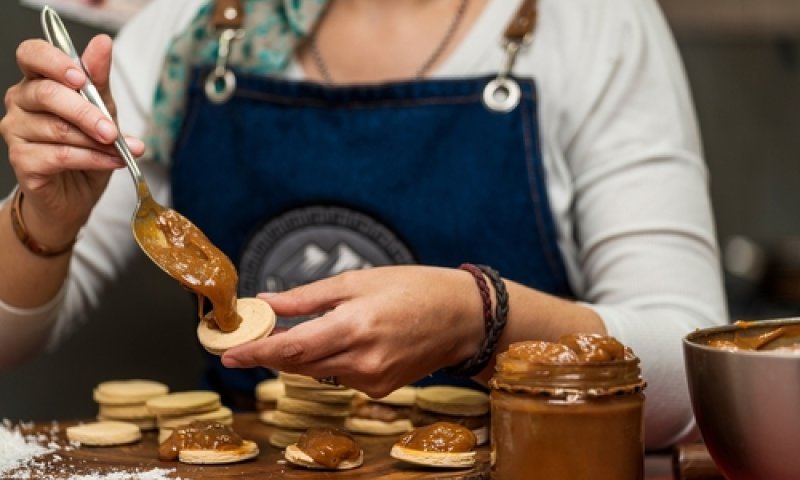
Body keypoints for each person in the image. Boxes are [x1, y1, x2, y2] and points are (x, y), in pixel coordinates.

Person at [0, 0, 727, 449]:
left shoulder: (594, 22)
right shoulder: (192, 27)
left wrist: (484, 319)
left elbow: (698, 385)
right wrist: (45, 218)